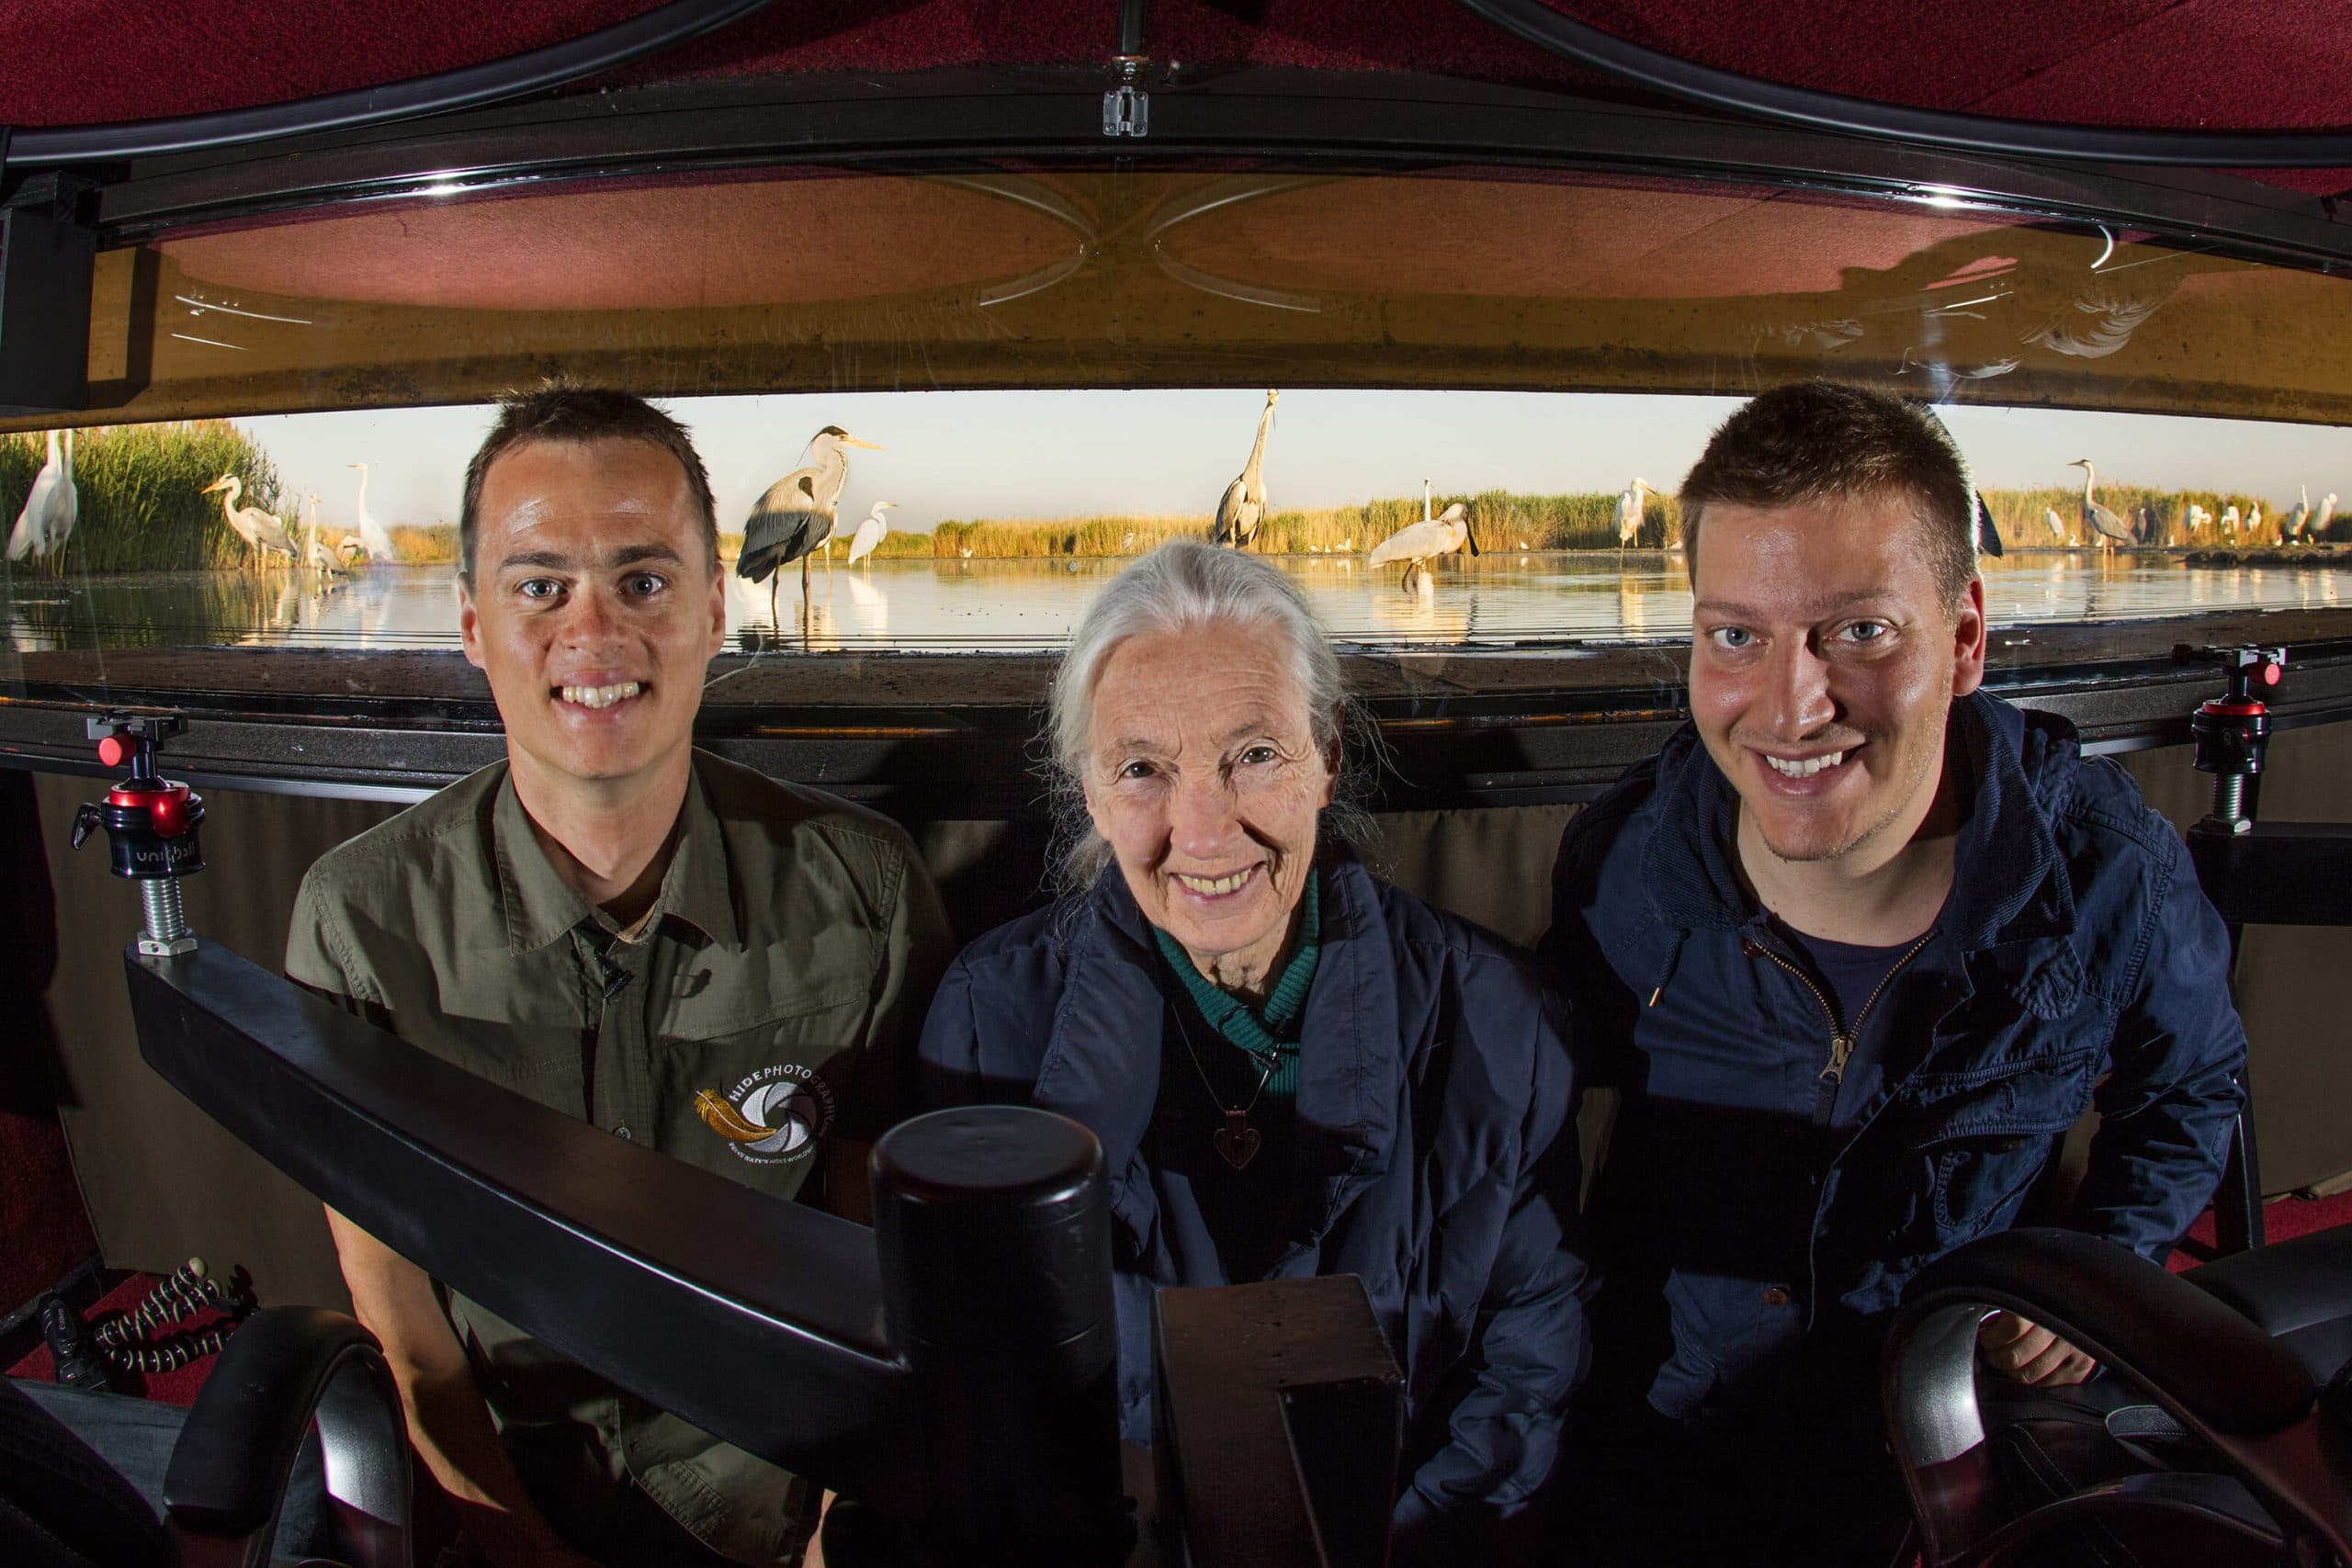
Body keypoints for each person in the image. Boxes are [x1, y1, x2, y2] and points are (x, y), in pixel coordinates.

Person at [1543, 380, 2247, 1562]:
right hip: (1666, 1441)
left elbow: (2188, 1088)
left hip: (1946, 1445)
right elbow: (1528, 1133)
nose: (1791, 708)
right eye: (1736, 637)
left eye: (1858, 632)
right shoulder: (1621, 866)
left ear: (1964, 638)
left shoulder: (2106, 876)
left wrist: (2101, 1261)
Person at [286, 386, 950, 1568]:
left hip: (782, 1501)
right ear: (473, 624)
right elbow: (405, 1329)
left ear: (712, 609)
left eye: (642, 582)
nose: (592, 636)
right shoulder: (360, 926)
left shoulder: (868, 894)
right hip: (502, 1499)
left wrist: (839, 1537)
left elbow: (887, 1291)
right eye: (540, 588)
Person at [917, 538, 1591, 1563]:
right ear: (1089, 789)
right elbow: (982, 1391)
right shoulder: (990, 1021)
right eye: (1143, 769)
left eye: (1255, 755)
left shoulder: (1496, 1019)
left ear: (1326, 754)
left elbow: (1523, 1382)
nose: (1203, 830)